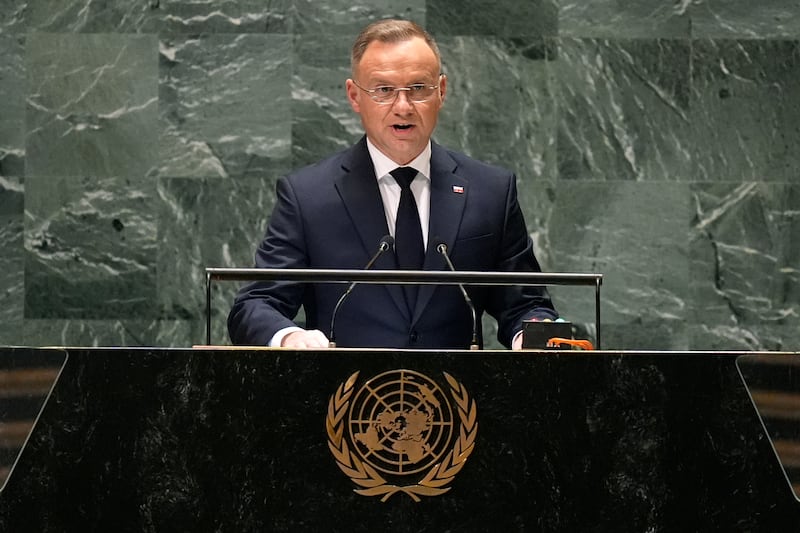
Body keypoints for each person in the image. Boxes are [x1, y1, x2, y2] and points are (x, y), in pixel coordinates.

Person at [227, 18, 558, 349]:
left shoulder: (491, 192)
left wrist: (536, 337)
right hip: (348, 396)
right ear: (355, 97)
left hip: (456, 397)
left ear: (441, 91)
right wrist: (291, 338)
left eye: (418, 89)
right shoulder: (308, 196)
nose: (403, 107)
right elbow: (257, 304)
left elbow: (527, 305)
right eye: (384, 90)